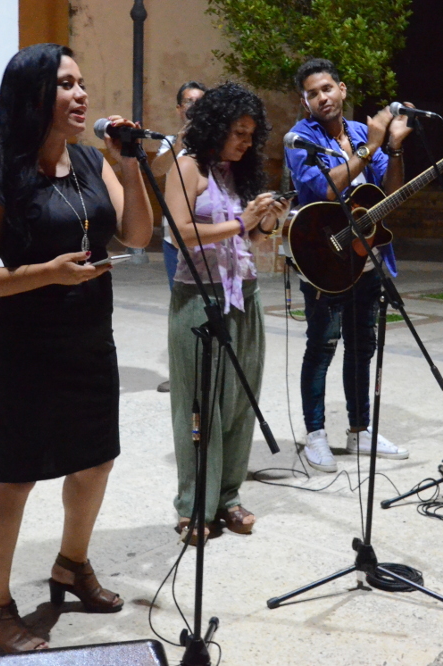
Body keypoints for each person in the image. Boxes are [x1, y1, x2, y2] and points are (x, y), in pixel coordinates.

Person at [0, 43, 153, 653]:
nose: (81, 94)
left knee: (95, 460)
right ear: (35, 96)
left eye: (83, 82)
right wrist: (43, 273)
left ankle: (71, 564)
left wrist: (133, 163)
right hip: (24, 347)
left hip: (91, 337)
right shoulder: (0, 178)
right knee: (14, 478)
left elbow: (137, 235)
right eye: (66, 84)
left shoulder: (94, 163)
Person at [163, 82, 288, 543]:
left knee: (239, 403)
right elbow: (181, 232)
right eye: (238, 132)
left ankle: (228, 498)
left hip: (245, 296)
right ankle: (194, 505)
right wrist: (242, 221)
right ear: (215, 126)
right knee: (199, 409)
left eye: (252, 135)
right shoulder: (187, 167)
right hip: (199, 299)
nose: (245, 142)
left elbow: (247, 238)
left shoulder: (238, 173)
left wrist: (265, 221)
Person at [284, 58, 412, 473]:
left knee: (362, 347)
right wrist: (370, 146)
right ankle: (315, 435)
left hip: (368, 260)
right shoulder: (300, 138)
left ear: (342, 89)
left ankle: (360, 430)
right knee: (321, 347)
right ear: (305, 102)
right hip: (324, 258)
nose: (322, 98)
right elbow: (321, 187)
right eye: (312, 93)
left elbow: (391, 194)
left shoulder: (361, 132)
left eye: (327, 89)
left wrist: (391, 149)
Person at [150, 81, 207, 393]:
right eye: (188, 101)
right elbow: (157, 169)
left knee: (212, 304)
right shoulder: (170, 142)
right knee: (181, 307)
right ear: (179, 108)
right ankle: (182, 373)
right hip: (175, 241)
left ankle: (208, 368)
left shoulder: (216, 142)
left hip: (210, 239)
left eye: (200, 101)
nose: (194, 106)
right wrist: (181, 139)